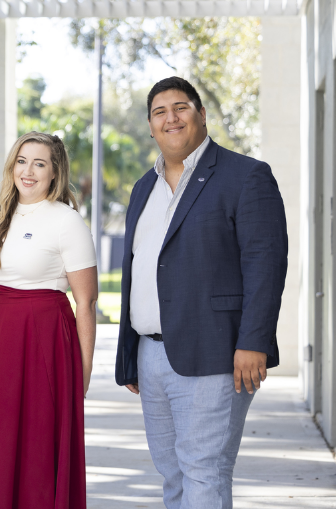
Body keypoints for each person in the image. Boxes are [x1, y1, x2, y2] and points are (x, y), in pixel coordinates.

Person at [116, 76, 288, 509]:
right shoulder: (143, 188)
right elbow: (138, 270)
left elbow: (265, 267)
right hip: (152, 356)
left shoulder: (246, 176)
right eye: (160, 112)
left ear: (201, 114)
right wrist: (131, 354)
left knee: (204, 471)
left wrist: (254, 342)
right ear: (151, 126)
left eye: (181, 107)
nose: (170, 118)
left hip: (217, 352)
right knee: (172, 474)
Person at [0, 132, 98, 508]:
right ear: (11, 166)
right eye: (22, 161)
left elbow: (85, 302)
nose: (29, 171)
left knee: (39, 449)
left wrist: (81, 374)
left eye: (40, 163)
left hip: (46, 344)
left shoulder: (67, 221)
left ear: (55, 173)